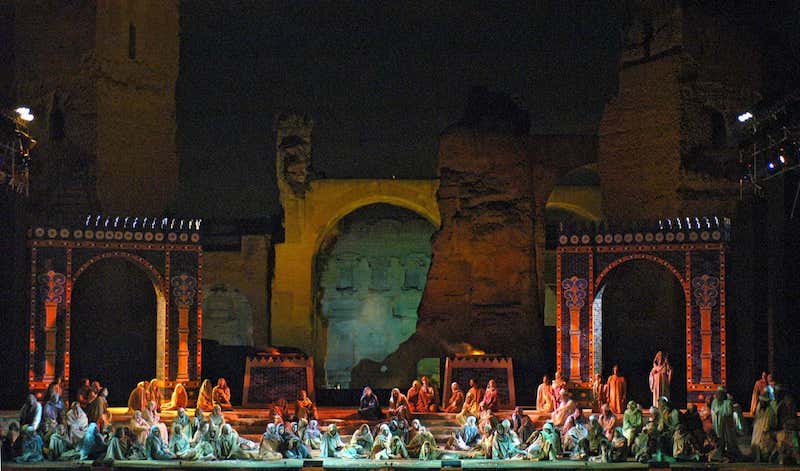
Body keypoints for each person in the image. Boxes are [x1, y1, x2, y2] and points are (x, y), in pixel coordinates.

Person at [710, 387, 741, 461]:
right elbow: (713, 411)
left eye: (720, 393)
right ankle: (720, 455)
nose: (718, 395)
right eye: (718, 393)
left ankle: (729, 455)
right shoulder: (714, 402)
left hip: (726, 427)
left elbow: (728, 413)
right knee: (719, 441)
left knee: (728, 442)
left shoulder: (728, 403)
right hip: (717, 426)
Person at [751, 393, 777, 463]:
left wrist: (766, 430)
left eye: (762, 402)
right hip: (758, 433)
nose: (761, 403)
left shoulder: (770, 411)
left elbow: (772, 423)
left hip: (766, 434)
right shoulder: (759, 409)